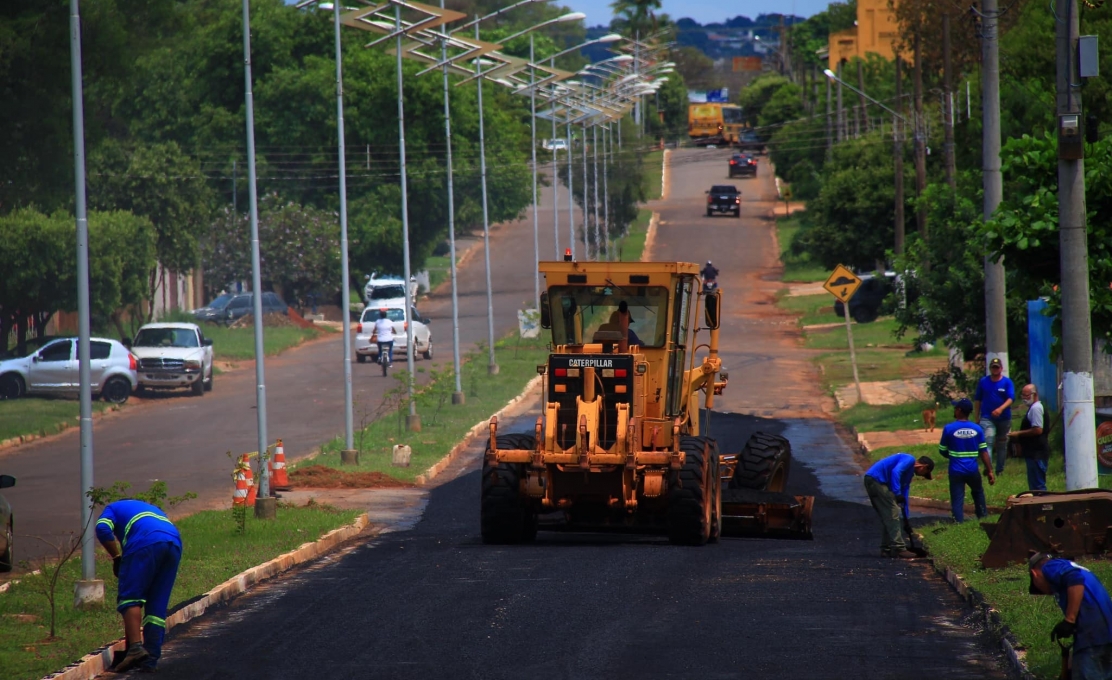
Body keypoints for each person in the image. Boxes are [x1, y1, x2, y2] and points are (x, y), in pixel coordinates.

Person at [96, 499, 182, 672]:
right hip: (173, 542)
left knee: (130, 598)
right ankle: (149, 659)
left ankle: (135, 648)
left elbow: (102, 528)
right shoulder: (151, 509)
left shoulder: (112, 509)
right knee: (156, 605)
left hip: (145, 542)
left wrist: (116, 557)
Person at [1029, 552, 1112, 679]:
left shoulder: (1050, 567)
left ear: (1035, 574)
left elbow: (1074, 578)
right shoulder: (1073, 567)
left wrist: (1069, 620)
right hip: (1103, 633)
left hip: (1094, 635)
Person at [863, 452, 935, 558]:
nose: (923, 475)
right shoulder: (909, 459)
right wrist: (897, 493)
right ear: (923, 467)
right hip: (875, 480)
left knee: (889, 515)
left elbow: (904, 494)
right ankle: (899, 548)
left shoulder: (908, 474)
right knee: (892, 512)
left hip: (877, 482)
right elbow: (895, 472)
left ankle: (886, 549)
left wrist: (906, 519)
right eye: (925, 472)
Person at [939, 398, 996, 522]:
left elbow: (942, 450)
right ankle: (983, 518)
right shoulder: (977, 429)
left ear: (959, 410)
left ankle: (958, 522)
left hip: (955, 471)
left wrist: (952, 456)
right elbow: (983, 452)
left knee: (957, 498)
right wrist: (990, 470)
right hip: (972, 470)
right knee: (978, 492)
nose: (954, 410)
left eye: (955, 408)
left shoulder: (949, 428)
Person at [974, 357, 1016, 476]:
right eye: (993, 367)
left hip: (1004, 418)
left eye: (997, 367)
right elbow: (977, 400)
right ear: (990, 368)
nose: (995, 369)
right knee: (988, 441)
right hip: (987, 417)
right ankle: (989, 469)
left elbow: (1011, 398)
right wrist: (976, 416)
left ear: (1001, 369)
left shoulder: (1007, 382)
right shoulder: (983, 382)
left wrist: (1000, 409)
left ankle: (1000, 470)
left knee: (1002, 445)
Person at [1009, 384, 1050, 491]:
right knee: (1035, 486)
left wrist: (1018, 434)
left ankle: (1042, 505)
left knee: (1038, 486)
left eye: (1026, 395)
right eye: (1022, 395)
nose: (1024, 398)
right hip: (1033, 453)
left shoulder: (1036, 408)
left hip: (1037, 453)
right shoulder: (1033, 408)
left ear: (1034, 394)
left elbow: (1037, 430)